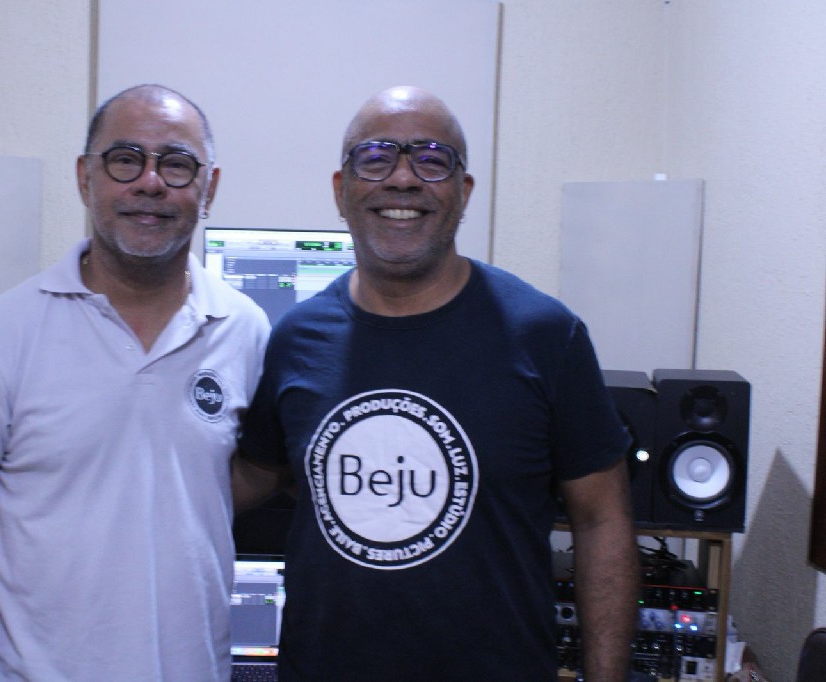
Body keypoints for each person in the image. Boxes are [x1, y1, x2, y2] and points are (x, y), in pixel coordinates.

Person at [232, 86, 639, 681]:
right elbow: (257, 473)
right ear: (341, 190)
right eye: (375, 157)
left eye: (431, 159)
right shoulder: (295, 339)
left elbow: (602, 521)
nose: (402, 179)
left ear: (463, 191)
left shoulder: (547, 336)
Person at [0, 84, 270, 681]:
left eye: (177, 164)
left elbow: (242, 474)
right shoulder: (5, 330)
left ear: (209, 188)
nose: (150, 183)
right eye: (125, 159)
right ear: (86, 178)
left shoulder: (245, 329)